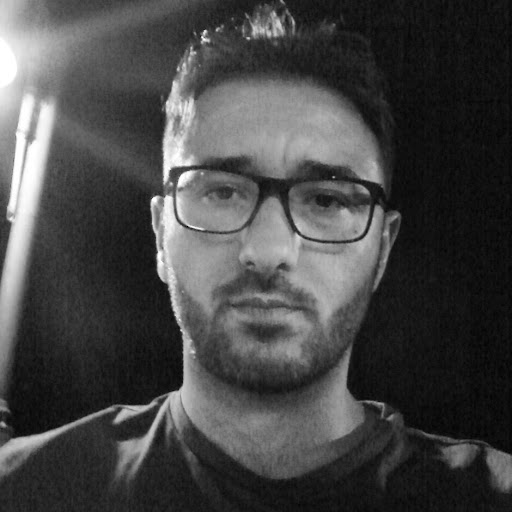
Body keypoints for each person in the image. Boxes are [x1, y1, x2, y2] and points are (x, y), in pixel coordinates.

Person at [0, 2, 511, 510]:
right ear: (160, 234)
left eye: (326, 200)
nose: (268, 252)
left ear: (382, 248)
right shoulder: (26, 490)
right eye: (222, 192)